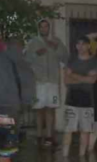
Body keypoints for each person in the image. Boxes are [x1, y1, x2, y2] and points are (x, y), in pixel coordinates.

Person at [25, 19, 68, 148]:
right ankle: (39, 137)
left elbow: (65, 57)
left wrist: (56, 49)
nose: (44, 29)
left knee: (51, 109)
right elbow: (26, 59)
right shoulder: (33, 42)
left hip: (53, 82)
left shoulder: (57, 41)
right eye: (42, 27)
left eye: (46, 27)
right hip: (39, 81)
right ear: (38, 28)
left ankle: (50, 137)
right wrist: (36, 54)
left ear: (49, 28)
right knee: (39, 110)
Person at [62, 36, 97, 157]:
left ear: (89, 45)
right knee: (68, 130)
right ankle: (64, 158)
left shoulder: (95, 61)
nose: (80, 47)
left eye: (83, 44)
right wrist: (85, 78)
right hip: (71, 99)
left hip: (87, 100)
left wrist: (73, 74)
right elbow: (66, 81)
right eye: (78, 44)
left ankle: (82, 159)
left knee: (85, 131)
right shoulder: (71, 60)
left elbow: (92, 81)